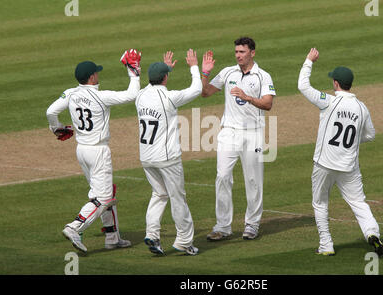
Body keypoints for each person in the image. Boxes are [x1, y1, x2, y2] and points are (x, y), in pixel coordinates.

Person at [46, 49, 142, 253]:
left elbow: (51, 111)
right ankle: (74, 227)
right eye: (96, 73)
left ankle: (112, 237)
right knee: (104, 197)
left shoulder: (71, 93)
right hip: (98, 152)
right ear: (91, 77)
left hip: (82, 150)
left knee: (106, 192)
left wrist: (57, 129)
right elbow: (132, 95)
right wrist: (133, 71)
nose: (98, 75)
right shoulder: (101, 96)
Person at [298, 48, 383, 257]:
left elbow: (302, 85)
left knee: (320, 203)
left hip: (324, 164)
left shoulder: (328, 100)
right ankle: (372, 233)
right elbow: (370, 135)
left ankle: (326, 245)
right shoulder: (361, 107)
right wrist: (353, 141)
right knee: (358, 202)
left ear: (336, 83)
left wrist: (309, 61)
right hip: (348, 166)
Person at [201, 37, 276, 241]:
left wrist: (248, 97)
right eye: (236, 52)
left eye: (242, 52)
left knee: (253, 180)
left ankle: (252, 224)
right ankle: (222, 227)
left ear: (252, 53)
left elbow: (268, 104)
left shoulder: (263, 76)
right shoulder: (228, 72)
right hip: (229, 131)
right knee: (223, 176)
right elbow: (205, 92)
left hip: (252, 133)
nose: (238, 55)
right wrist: (205, 73)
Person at [137, 49, 201, 256]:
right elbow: (196, 89)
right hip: (167, 158)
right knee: (177, 197)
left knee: (159, 194)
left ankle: (152, 235)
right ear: (165, 78)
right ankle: (184, 240)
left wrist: (165, 71)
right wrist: (193, 66)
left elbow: (153, 87)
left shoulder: (140, 96)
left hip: (146, 157)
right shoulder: (170, 98)